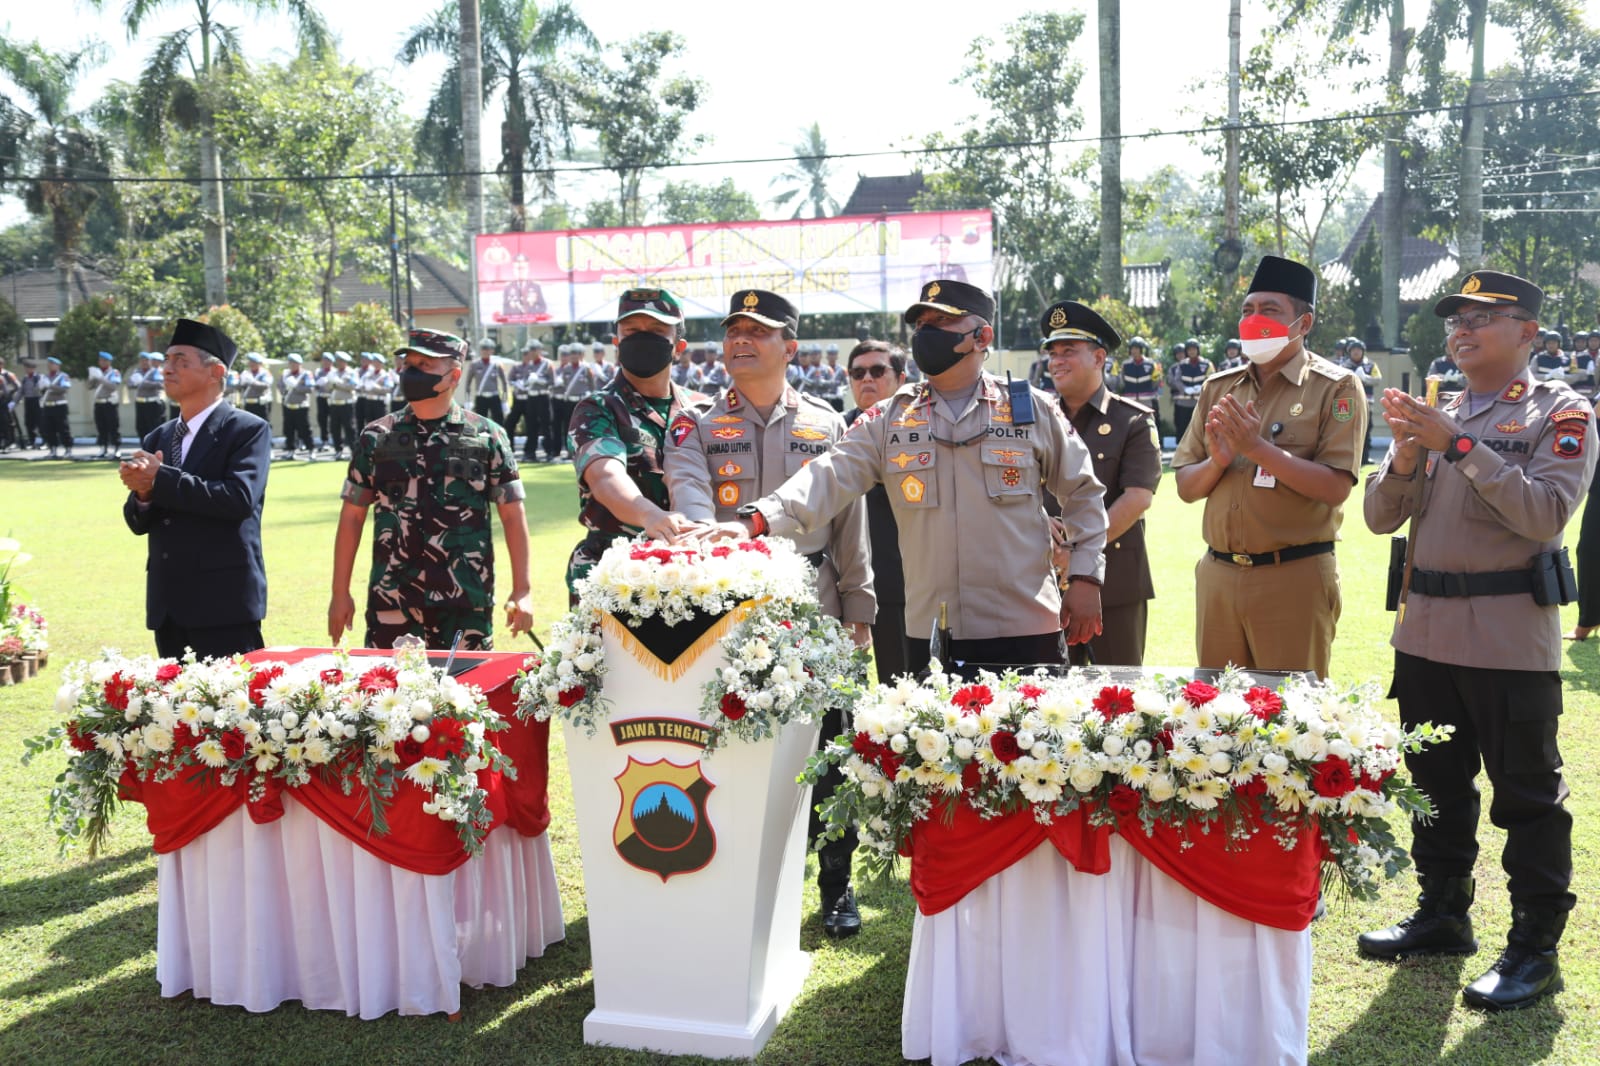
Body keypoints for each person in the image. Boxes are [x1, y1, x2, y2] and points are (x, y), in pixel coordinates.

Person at [1359, 270, 1594, 1012]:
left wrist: (1457, 445)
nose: (1461, 330)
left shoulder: (1561, 411)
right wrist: (1406, 456)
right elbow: (1378, 517)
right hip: (1426, 630)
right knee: (1434, 785)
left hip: (1506, 635)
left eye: (1481, 318)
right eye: (1455, 320)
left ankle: (1534, 949)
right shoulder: (1442, 409)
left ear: (1528, 332)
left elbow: (1544, 513)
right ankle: (1442, 913)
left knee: (1526, 795)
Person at [721, 278, 1107, 677]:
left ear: (982, 336)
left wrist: (1085, 577)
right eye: (921, 324)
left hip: (1027, 626)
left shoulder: (1031, 409)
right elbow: (826, 475)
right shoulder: (890, 417)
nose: (925, 334)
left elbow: (1083, 492)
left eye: (941, 322)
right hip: (933, 632)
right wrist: (757, 518)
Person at [666, 288, 875, 941]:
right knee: (728, 743)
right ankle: (733, 880)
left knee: (831, 745)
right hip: (728, 606)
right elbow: (689, 492)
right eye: (733, 330)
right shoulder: (694, 422)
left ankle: (836, 884)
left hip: (815, 603)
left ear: (790, 346)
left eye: (757, 331)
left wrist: (859, 605)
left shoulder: (826, 423)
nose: (740, 340)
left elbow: (849, 523)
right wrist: (708, 541)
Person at [1171, 254, 1364, 679]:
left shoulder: (1335, 387)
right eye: (1248, 310)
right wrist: (1219, 461)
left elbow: (1335, 487)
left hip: (1292, 578)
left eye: (1270, 310)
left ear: (1304, 323)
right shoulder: (1219, 388)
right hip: (1218, 576)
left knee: (1289, 713)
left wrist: (1256, 448)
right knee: (1216, 709)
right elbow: (1186, 486)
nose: (1253, 320)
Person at [328, 328, 533, 650]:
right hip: (392, 599)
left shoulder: (487, 436)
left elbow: (512, 515)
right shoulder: (377, 436)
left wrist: (523, 590)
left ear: (454, 376)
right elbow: (352, 516)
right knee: (389, 682)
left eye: (424, 365)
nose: (411, 372)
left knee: (466, 683)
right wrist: (340, 593)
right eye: (408, 364)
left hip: (465, 602)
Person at [119, 318, 271, 659]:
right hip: (168, 605)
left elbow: (238, 499)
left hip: (222, 603)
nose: (167, 369)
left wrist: (160, 479)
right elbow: (140, 522)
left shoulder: (246, 430)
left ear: (216, 372)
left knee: (230, 694)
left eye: (180, 361)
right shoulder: (158, 436)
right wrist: (142, 495)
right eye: (166, 360)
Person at [565, 288, 711, 599]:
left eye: (656, 331)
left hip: (693, 575)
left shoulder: (702, 410)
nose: (643, 338)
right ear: (616, 343)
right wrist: (648, 515)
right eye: (632, 331)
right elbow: (605, 476)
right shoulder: (599, 408)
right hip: (615, 575)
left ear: (679, 347)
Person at [1040, 300, 1161, 665]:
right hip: (1043, 581)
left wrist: (1078, 554)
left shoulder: (1132, 420)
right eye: (1052, 353)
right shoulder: (1035, 419)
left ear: (1098, 357)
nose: (1057, 361)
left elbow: (1137, 498)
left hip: (1114, 583)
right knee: (1044, 691)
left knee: (1117, 690)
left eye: (1068, 351)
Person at [845, 340, 911, 683]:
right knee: (842, 691)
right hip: (845, 583)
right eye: (858, 373)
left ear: (901, 378)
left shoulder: (921, 429)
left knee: (903, 686)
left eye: (877, 371)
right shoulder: (835, 430)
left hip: (900, 581)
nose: (866, 379)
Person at [1340, 338, 1382, 465]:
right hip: (1349, 403)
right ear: (1349, 352)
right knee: (1347, 431)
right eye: (1353, 350)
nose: (1356, 352)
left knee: (1366, 430)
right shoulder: (1344, 366)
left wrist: (1365, 378)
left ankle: (1365, 458)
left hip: (1366, 403)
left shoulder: (1371, 365)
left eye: (1358, 350)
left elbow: (1378, 379)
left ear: (1363, 351)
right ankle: (1348, 458)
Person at [1170, 339, 1212, 444]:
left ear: (1198, 350)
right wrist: (1184, 389)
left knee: (1201, 428)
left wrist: (1201, 387)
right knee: (1182, 428)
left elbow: (1211, 378)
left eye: (1194, 349)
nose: (1192, 352)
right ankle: (1181, 450)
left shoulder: (1207, 364)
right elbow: (1176, 380)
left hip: (1200, 402)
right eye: (1189, 350)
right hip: (1183, 403)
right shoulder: (1181, 364)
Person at [277, 353, 315, 457]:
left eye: (294, 363)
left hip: (301, 406)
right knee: (288, 430)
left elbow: (310, 389)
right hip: (288, 405)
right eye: (290, 363)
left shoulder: (306, 374)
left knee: (305, 430)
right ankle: (290, 450)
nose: (292, 365)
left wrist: (296, 386)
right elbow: (279, 386)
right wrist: (285, 388)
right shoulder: (285, 374)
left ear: (299, 364)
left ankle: (311, 449)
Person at [89, 351, 123, 459]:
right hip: (99, 403)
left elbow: (113, 386)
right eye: (100, 360)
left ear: (109, 362)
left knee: (113, 426)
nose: (102, 362)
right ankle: (103, 448)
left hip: (110, 403)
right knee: (101, 427)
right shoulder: (98, 372)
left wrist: (100, 378)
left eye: (104, 360)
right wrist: (92, 378)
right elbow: (90, 387)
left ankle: (116, 448)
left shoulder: (114, 372)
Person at [468, 338, 510, 425]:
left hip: (494, 397)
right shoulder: (474, 364)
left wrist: (504, 400)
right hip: (481, 397)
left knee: (499, 421)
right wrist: (467, 400)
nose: (485, 351)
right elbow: (468, 382)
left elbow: (504, 382)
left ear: (492, 350)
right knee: (480, 423)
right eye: (483, 348)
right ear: (480, 350)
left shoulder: (497, 364)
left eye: (488, 349)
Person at [129, 353, 167, 442]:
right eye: (142, 360)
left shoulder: (155, 371)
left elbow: (160, 384)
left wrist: (142, 382)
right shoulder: (136, 372)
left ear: (150, 361)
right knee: (141, 427)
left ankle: (153, 447)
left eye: (146, 360)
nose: (144, 362)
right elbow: (129, 384)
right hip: (140, 402)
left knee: (153, 427)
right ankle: (144, 446)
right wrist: (135, 383)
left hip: (152, 403)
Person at [327, 351, 358, 457]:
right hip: (334, 404)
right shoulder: (333, 373)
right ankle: (338, 450)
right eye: (338, 361)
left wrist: (337, 384)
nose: (339, 363)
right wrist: (332, 384)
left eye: (341, 361)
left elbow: (352, 387)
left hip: (347, 404)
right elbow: (327, 387)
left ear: (345, 362)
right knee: (334, 428)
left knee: (349, 428)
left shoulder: (351, 373)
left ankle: (354, 450)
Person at [41, 355, 72, 458]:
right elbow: (41, 391)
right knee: (49, 429)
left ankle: (68, 449)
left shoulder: (63, 376)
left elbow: (64, 389)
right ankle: (53, 449)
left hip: (59, 405)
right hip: (48, 405)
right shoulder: (45, 377)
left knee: (63, 428)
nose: (50, 366)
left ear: (58, 366)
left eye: (52, 364)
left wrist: (50, 386)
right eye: (49, 364)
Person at [501, 252, 548, 319]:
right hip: (513, 323)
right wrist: (517, 314)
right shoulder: (508, 288)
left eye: (523, 268)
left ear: (528, 269)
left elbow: (543, 307)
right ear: (513, 270)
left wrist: (529, 313)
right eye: (518, 268)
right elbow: (505, 310)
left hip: (532, 323)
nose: (521, 271)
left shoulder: (536, 287)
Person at [1117, 337, 1158, 406]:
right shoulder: (1125, 364)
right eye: (1132, 348)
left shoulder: (1151, 364)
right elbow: (1121, 382)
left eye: (1136, 348)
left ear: (1141, 349)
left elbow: (1155, 382)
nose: (1133, 351)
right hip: (1129, 401)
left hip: (1146, 401)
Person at [239, 352, 273, 427]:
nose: (251, 364)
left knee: (263, 424)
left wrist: (252, 382)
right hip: (248, 403)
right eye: (250, 362)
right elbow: (239, 387)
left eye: (253, 362)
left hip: (261, 404)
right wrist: (241, 383)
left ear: (259, 363)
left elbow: (265, 385)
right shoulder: (245, 373)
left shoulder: (265, 373)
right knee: (249, 424)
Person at [18, 360, 43, 448]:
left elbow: (42, 389)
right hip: (28, 401)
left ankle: (44, 440)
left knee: (40, 422)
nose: (26, 370)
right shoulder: (25, 378)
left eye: (28, 368)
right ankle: (32, 441)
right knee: (28, 422)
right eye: (25, 368)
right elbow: (21, 391)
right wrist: (14, 401)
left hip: (37, 401)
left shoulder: (38, 377)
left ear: (33, 368)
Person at [313, 352, 335, 450]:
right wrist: (317, 383)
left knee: (334, 420)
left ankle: (334, 439)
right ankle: (324, 440)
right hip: (321, 397)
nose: (325, 362)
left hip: (332, 398)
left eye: (328, 360)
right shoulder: (318, 372)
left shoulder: (335, 372)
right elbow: (314, 385)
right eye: (324, 360)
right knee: (322, 419)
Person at [0, 356, 20, 451]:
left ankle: (12, 441)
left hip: (7, 400)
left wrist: (7, 392)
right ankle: (3, 441)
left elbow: (18, 386)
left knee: (9, 421)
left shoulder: (8, 374)